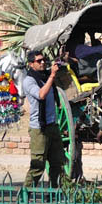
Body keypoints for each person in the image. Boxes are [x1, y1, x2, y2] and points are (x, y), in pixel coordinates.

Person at [21, 50, 66, 189]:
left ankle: (54, 196)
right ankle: (23, 198)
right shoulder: (29, 81)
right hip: (39, 128)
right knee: (37, 166)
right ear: (31, 64)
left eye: (43, 60)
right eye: (38, 61)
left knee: (57, 163)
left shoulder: (45, 76)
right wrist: (52, 76)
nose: (42, 63)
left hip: (52, 125)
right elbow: (41, 94)